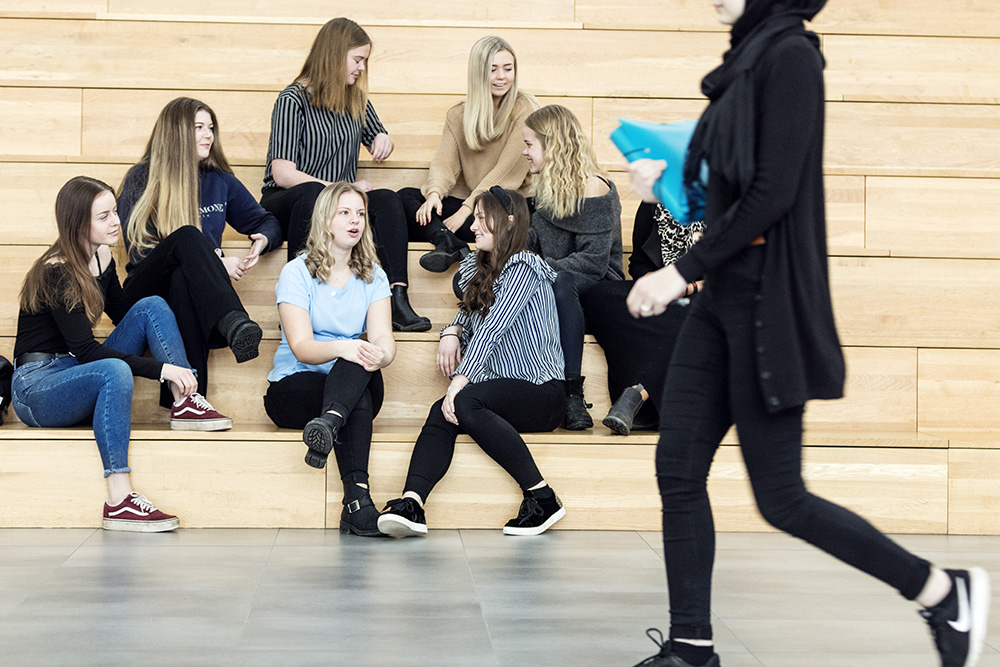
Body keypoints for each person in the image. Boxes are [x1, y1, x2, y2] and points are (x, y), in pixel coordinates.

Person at [626, 1, 990, 666]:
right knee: (677, 468)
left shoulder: (792, 58)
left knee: (781, 499)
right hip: (719, 305)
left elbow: (773, 194)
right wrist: (665, 188)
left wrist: (678, 272)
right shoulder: (743, 64)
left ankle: (942, 592)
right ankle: (692, 646)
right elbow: (729, 195)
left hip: (765, 308)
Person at [12, 177, 232, 533]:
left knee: (151, 307)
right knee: (113, 370)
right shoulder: (57, 270)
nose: (116, 221)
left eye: (114, 211)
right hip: (36, 388)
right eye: (104, 216)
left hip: (72, 371)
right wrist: (162, 369)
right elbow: (88, 351)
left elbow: (125, 315)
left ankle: (185, 401)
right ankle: (119, 500)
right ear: (78, 223)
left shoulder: (101, 256)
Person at [377, 187, 566, 537]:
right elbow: (471, 316)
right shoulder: (484, 270)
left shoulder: (525, 267)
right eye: (474, 218)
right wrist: (451, 331)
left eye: (481, 219)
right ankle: (412, 503)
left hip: (543, 393)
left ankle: (543, 497)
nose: (473, 227)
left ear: (509, 222)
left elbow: (493, 327)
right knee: (442, 410)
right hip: (502, 391)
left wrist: (458, 382)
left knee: (462, 400)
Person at [261, 17, 429, 333]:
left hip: (337, 203)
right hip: (289, 200)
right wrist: (342, 188)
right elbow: (282, 174)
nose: (361, 68)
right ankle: (297, 305)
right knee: (312, 194)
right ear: (335, 55)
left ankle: (395, 299)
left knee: (388, 200)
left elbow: (378, 136)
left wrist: (384, 139)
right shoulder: (292, 100)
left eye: (364, 60)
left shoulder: (355, 99)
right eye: (357, 59)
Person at [118, 96, 281, 403]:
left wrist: (263, 239)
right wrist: (216, 263)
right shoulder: (141, 178)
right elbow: (140, 251)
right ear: (176, 132)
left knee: (184, 279)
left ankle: (188, 401)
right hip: (144, 293)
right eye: (198, 127)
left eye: (210, 127)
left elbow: (267, 222)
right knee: (187, 238)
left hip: (193, 294)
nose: (209, 135)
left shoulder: (219, 181)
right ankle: (233, 321)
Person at [263, 182, 395, 537]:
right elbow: (302, 347)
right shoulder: (296, 272)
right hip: (295, 389)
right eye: (345, 213)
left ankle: (330, 423)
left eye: (361, 214)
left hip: (343, 393)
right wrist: (343, 347)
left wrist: (380, 354)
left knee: (361, 361)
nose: (355, 221)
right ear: (325, 220)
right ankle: (357, 505)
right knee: (354, 377)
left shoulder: (374, 275)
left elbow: (383, 337)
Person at [522, 104, 624, 430]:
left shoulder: (595, 187)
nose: (524, 152)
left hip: (599, 288)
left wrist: (541, 268)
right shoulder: (543, 189)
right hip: (558, 285)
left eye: (529, 144)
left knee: (562, 281)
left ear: (551, 146)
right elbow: (531, 246)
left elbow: (593, 263)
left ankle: (572, 394)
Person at [399, 35, 538, 274]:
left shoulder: (524, 109)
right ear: (478, 72)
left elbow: (504, 176)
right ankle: (446, 241)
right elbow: (443, 164)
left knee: (490, 220)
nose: (502, 76)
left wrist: (465, 211)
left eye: (508, 68)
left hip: (509, 209)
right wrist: (434, 194)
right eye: (493, 69)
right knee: (406, 198)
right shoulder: (458, 115)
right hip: (475, 211)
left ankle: (448, 237)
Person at [583, 203, 704, 435]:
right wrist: (654, 282)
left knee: (691, 316)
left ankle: (638, 396)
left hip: (706, 294)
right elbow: (637, 263)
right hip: (663, 293)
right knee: (599, 296)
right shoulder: (653, 203)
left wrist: (686, 288)